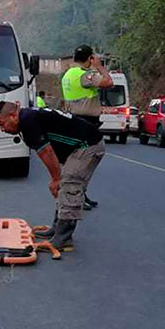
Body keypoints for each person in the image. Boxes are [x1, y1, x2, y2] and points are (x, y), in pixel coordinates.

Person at [0, 102, 104, 252]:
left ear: (13, 115)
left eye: (2, 123)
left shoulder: (27, 121)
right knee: (62, 185)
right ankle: (57, 228)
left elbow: (47, 152)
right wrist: (56, 178)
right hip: (76, 146)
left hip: (87, 145)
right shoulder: (27, 117)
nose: (3, 129)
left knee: (69, 183)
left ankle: (63, 239)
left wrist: (56, 178)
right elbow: (47, 151)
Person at [60, 45, 113, 209]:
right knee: (86, 161)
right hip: (86, 123)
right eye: (93, 58)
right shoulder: (85, 75)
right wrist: (99, 67)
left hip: (73, 120)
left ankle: (80, 194)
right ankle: (78, 196)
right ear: (90, 58)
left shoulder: (68, 74)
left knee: (77, 160)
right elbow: (108, 83)